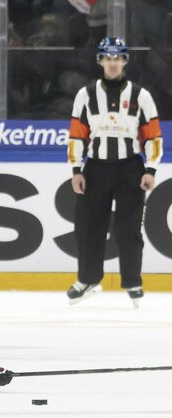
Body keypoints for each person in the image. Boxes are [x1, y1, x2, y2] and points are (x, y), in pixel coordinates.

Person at [66, 37, 164, 307]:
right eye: (107, 58)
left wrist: (150, 168)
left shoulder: (141, 96)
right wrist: (76, 169)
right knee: (88, 227)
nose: (112, 63)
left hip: (130, 168)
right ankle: (88, 279)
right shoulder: (85, 95)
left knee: (128, 228)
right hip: (95, 167)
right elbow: (77, 135)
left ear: (125, 61)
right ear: (100, 61)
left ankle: (133, 282)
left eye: (117, 58)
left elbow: (153, 137)